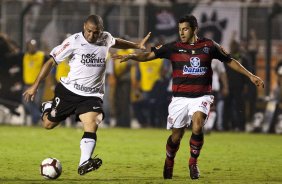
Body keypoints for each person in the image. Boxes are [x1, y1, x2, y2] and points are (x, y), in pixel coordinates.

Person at [114, 14, 264, 180]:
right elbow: (149, 56)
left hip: (202, 96)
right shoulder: (173, 47)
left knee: (198, 124)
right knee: (176, 136)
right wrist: (132, 56)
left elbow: (230, 60)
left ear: (194, 29)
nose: (182, 33)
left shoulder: (209, 46)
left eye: (185, 29)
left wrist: (251, 75)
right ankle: (169, 161)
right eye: (180, 30)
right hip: (179, 98)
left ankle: (193, 163)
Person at [23, 14, 150, 176]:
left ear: (101, 31)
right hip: (69, 91)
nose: (91, 35)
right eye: (89, 31)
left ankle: (84, 162)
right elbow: (50, 62)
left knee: (92, 122)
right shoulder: (73, 41)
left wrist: (137, 45)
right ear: (84, 26)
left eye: (95, 32)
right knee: (47, 124)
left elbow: (116, 41)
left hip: (92, 95)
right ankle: (48, 107)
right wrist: (35, 86)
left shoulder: (106, 38)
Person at [22, 39, 49, 125]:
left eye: (33, 46)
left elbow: (50, 63)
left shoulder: (42, 55)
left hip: (38, 85)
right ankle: (38, 115)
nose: (32, 47)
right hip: (27, 84)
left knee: (37, 103)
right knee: (26, 103)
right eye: (30, 45)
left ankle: (35, 123)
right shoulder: (24, 56)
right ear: (27, 46)